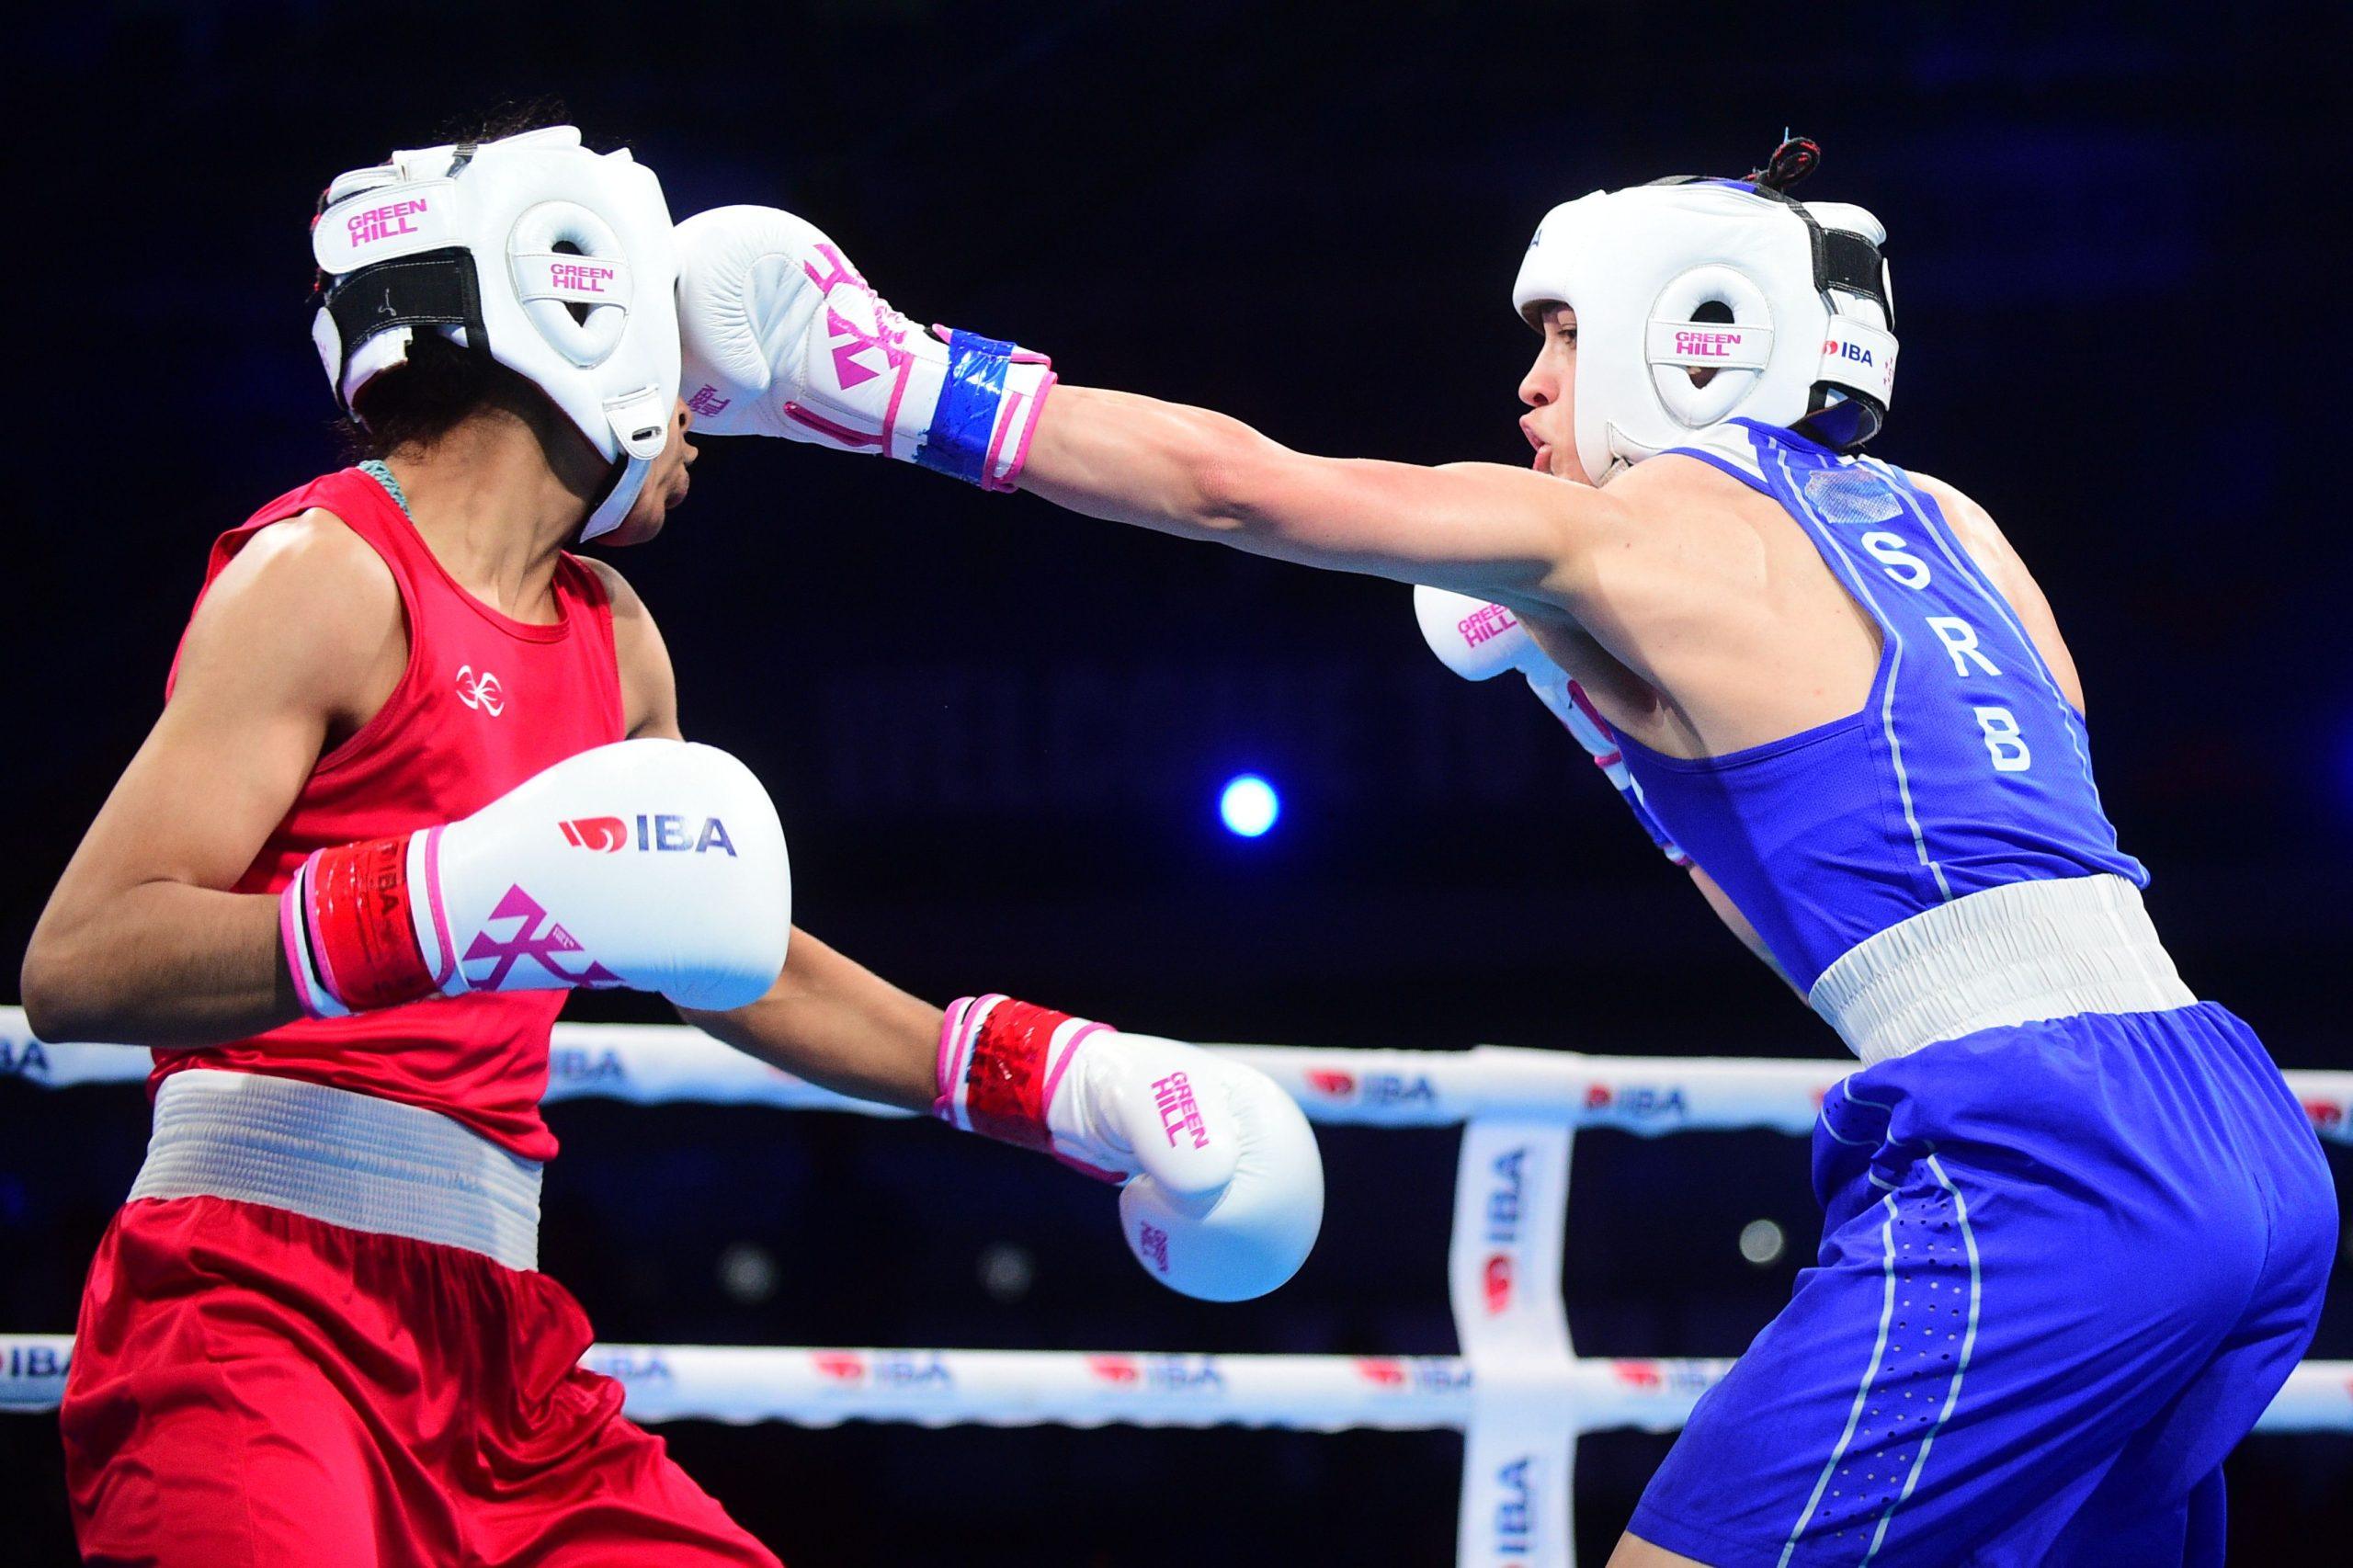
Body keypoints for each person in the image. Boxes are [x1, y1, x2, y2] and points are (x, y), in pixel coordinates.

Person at [672, 136, 2337, 1566]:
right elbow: (1919, 877)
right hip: (2239, 1131)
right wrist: (1590, 699)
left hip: (2045, 1162)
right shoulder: (1960, 525)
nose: (1532, 386)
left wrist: (892, 388)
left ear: (1691, 336)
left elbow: (1239, 488)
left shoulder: (1618, 528)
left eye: (1557, 334)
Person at [19, 116, 1319, 1567]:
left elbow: (731, 954)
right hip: (249, 1311)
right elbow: (81, 958)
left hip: (499, 1350)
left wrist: (1056, 1080)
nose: (705, 411)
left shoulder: (614, 637)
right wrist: (441, 902)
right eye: (674, 349)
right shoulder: (326, 572)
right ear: (579, 314)